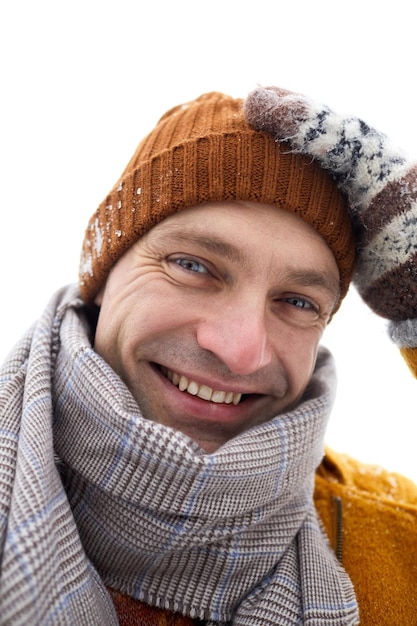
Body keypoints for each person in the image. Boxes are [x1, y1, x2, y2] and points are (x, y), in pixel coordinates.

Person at [0, 86, 416, 626]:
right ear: (100, 276)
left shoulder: (399, 542)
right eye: (193, 266)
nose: (241, 352)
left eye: (296, 302)